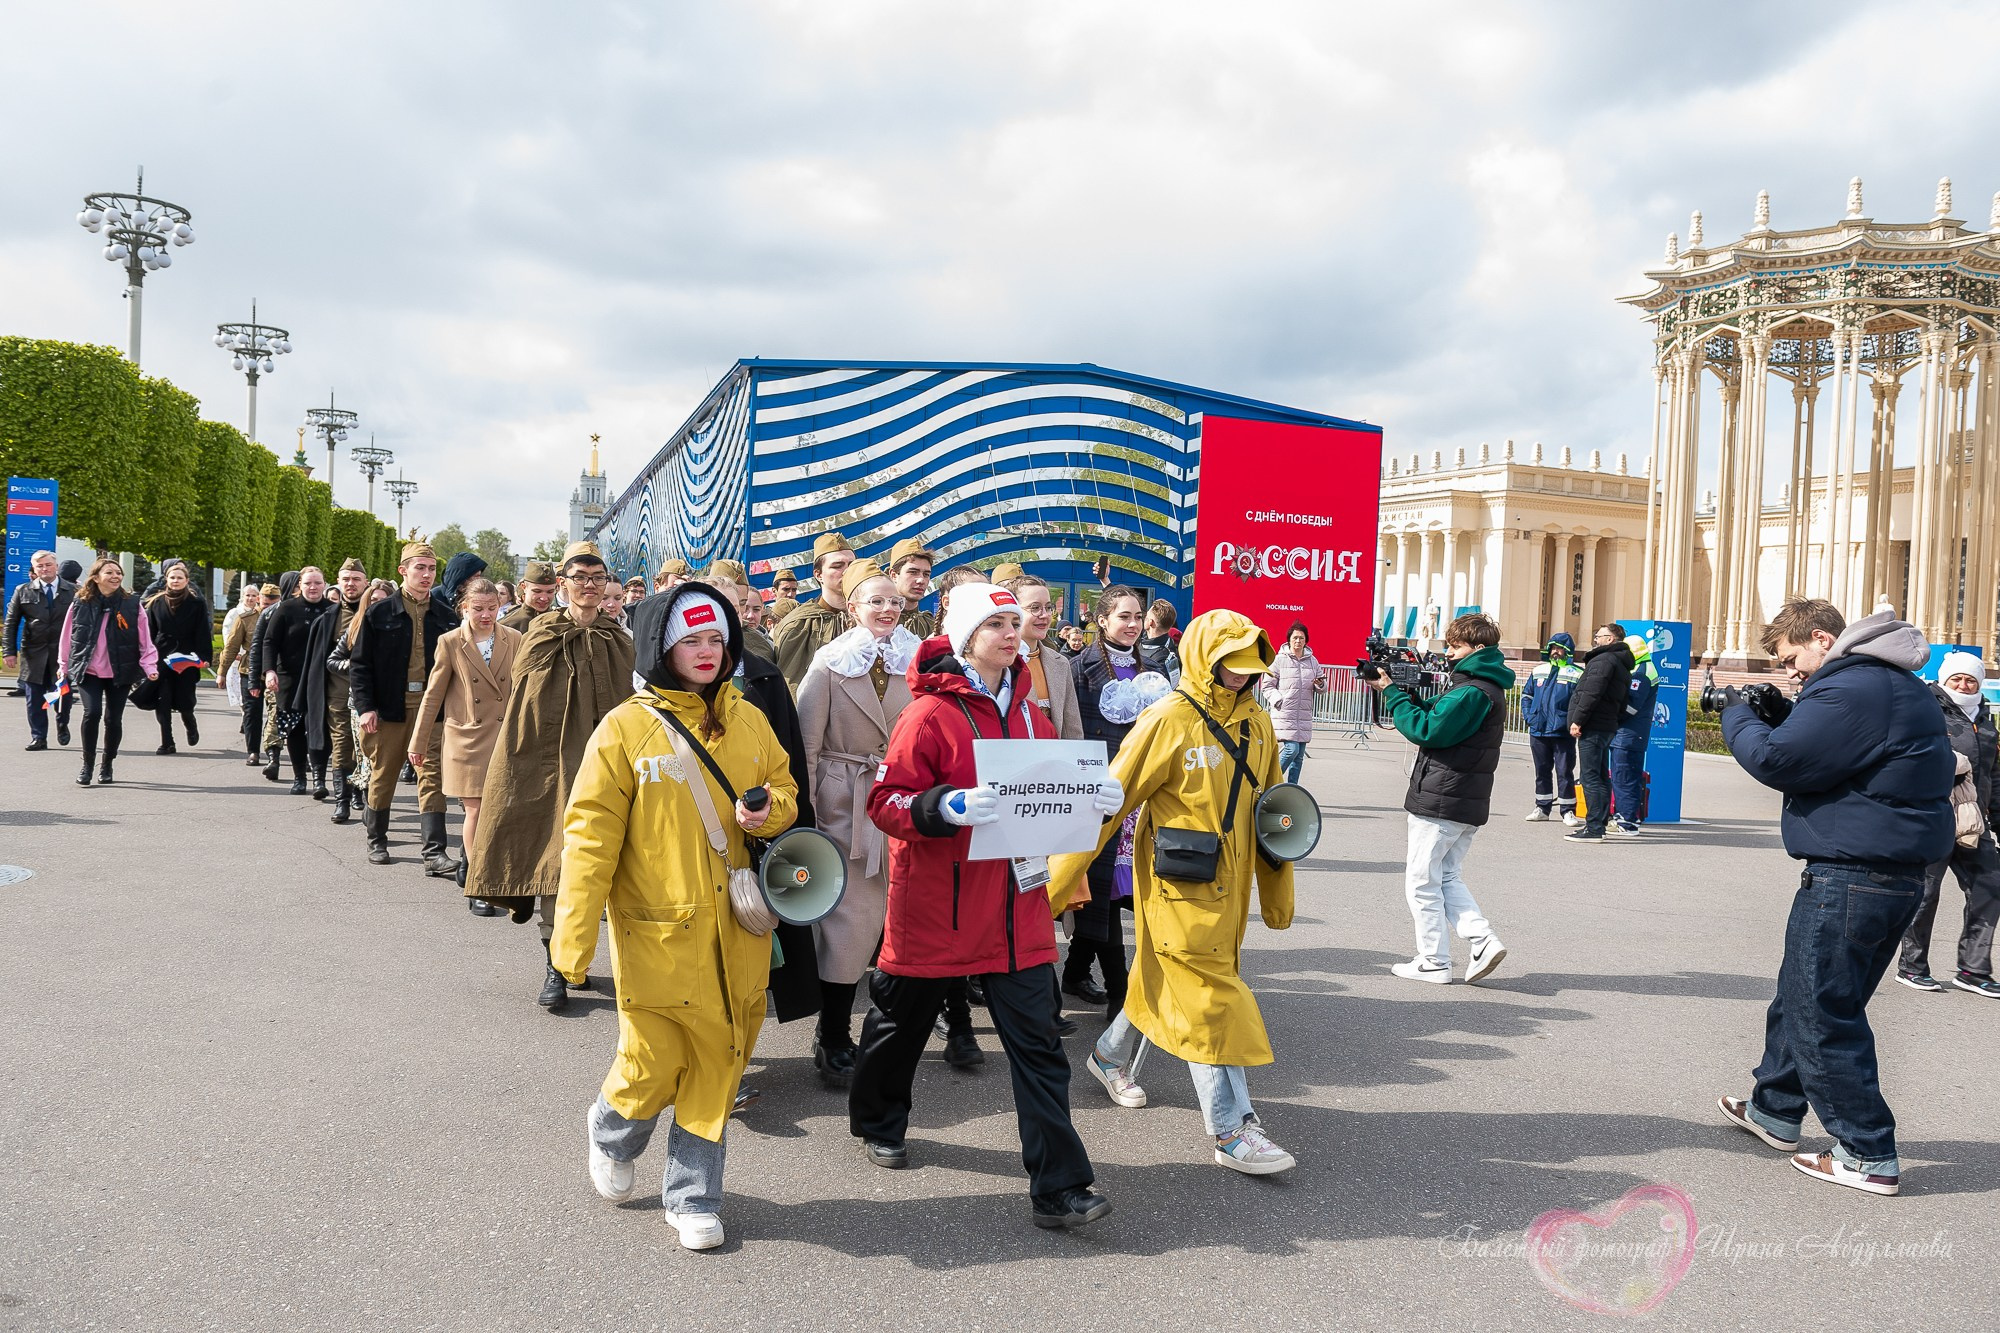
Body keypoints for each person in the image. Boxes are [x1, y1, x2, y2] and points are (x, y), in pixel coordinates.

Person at [852, 583, 1117, 1229]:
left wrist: (1095, 801)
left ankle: (1059, 1187)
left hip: (1016, 912)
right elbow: (885, 802)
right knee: (899, 1025)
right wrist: (943, 805)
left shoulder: (1032, 712)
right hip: (938, 906)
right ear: (966, 635)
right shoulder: (927, 714)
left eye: (1012, 620)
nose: (1009, 631)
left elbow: (1054, 798)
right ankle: (880, 1118)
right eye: (994, 622)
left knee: (1040, 1051)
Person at [554, 580, 798, 1252]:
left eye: (717, 638)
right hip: (657, 931)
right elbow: (590, 835)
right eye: (692, 637)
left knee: (720, 1059)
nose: (707, 650)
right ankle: (612, 1127)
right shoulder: (626, 728)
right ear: (664, 644)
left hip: (738, 932)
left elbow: (786, 790)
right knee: (654, 1059)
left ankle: (693, 1196)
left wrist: (767, 810)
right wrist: (571, 941)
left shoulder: (747, 717)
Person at [1715, 600, 1954, 1196]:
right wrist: (1782, 711)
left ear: (1822, 638)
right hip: (1887, 872)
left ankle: (1867, 1150)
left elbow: (1779, 759)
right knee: (1804, 994)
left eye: (1792, 657)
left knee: (1820, 1011)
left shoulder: (1853, 689)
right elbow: (1833, 754)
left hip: (1854, 874)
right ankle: (1775, 1108)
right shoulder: (1887, 682)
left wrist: (1739, 716)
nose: (1791, 671)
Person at [1055, 609, 1298, 1173]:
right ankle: (1233, 1129)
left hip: (1230, 887)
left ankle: (1109, 1054)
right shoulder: (1167, 717)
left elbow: (1274, 809)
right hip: (1177, 884)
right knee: (1209, 998)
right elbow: (1109, 798)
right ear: (1202, 657)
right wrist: (1058, 878)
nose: (1238, 676)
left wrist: (1277, 891)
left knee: (1168, 976)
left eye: (1246, 665)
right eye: (1228, 664)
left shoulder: (1257, 722)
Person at [467, 541, 635, 1011]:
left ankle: (612, 962)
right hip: (552, 764)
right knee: (556, 862)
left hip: (609, 765)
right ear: (563, 584)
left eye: (597, 578)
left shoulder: (618, 638)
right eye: (579, 578)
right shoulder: (541, 632)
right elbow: (528, 703)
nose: (588, 586)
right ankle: (556, 966)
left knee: (622, 866)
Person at [796, 558, 921, 1088]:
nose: (888, 608)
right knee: (846, 924)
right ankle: (832, 1032)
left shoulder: (918, 660)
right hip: (843, 805)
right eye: (876, 600)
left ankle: (887, 1028)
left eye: (894, 600)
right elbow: (806, 742)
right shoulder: (828, 663)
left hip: (900, 799)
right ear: (852, 609)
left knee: (899, 918)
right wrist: (808, 812)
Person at [1367, 612, 1514, 985]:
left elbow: (1426, 729)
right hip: (1463, 798)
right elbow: (1441, 719)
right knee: (1446, 875)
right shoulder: (1484, 686)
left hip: (1443, 798)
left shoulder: (1471, 690)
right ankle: (1481, 940)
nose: (1447, 652)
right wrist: (1408, 693)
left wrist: (1391, 692)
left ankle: (1434, 960)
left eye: (1454, 645)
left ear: (1476, 648)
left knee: (1422, 880)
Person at [1061, 583, 1175, 1014]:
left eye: (1137, 616)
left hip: (1141, 795)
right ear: (1102, 619)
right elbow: (1071, 732)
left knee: (1117, 893)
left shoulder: (1157, 671)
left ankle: (1074, 973)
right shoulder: (1077, 668)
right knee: (1101, 890)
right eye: (1123, 616)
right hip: (1098, 793)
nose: (1132, 624)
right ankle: (1119, 992)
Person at [411, 575, 521, 910]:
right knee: (474, 809)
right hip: (467, 738)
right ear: (464, 607)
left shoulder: (514, 638)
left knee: (498, 812)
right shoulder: (450, 641)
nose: (486, 614)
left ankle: (494, 875)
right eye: (478, 608)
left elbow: (523, 687)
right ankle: (479, 883)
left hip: (504, 737)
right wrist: (417, 741)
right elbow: (433, 695)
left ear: (500, 606)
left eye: (491, 607)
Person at [1893, 651, 2000, 997]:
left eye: (1970, 679)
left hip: (1973, 821)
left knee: (1990, 886)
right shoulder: (1927, 709)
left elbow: (1993, 776)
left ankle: (1973, 969)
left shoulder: (1984, 720)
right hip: (1933, 817)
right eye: (1957, 678)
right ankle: (1912, 966)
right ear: (1944, 679)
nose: (1964, 684)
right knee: (1925, 892)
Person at [349, 543, 461, 868]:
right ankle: (377, 840)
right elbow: (360, 665)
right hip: (390, 710)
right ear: (403, 571)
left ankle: (434, 853)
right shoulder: (378, 613)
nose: (426, 575)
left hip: (432, 713)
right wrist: (366, 706)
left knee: (432, 777)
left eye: (430, 569)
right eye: (419, 568)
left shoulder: (445, 615)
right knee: (384, 775)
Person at [58, 558, 158, 786]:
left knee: (113, 719)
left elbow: (145, 640)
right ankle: (87, 764)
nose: (116, 576)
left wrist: (149, 666)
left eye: (118, 573)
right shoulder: (80, 603)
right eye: (109, 572)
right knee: (91, 713)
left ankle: (107, 764)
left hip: (120, 671)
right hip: (88, 669)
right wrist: (63, 666)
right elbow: (67, 637)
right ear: (95, 577)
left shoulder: (132, 604)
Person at [302, 560, 373, 823]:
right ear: (338, 582)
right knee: (343, 745)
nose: (351, 584)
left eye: (356, 578)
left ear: (365, 582)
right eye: (346, 579)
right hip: (337, 695)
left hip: (369, 696)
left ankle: (359, 792)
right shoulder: (327, 619)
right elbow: (321, 661)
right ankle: (341, 800)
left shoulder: (376, 613)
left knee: (364, 747)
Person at [263, 567, 336, 795]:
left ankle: (320, 778)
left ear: (325, 585)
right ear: (299, 586)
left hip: (322, 679)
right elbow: (269, 641)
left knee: (321, 728)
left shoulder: (333, 610)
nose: (312, 587)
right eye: (307, 583)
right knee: (294, 729)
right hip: (290, 679)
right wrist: (269, 671)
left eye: (317, 583)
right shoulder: (286, 609)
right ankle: (298, 778)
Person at [1564, 623, 1633, 844]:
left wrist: (1577, 720)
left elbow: (1590, 693)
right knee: (1601, 776)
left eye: (1599, 636)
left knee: (1590, 777)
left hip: (1593, 726)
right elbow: (1622, 703)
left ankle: (1594, 828)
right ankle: (1600, 823)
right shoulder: (1622, 664)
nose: (1595, 639)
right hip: (1607, 725)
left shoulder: (1603, 661)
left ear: (1611, 639)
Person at [4, 549, 76, 751]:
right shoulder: (23, 590)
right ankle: (39, 736)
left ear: (56, 566)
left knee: (64, 694)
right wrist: (8, 651)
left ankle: (62, 723)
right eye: (40, 566)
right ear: (34, 569)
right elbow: (11, 623)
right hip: (33, 652)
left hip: (62, 654)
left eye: (48, 564)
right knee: (34, 698)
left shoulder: (73, 591)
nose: (45, 569)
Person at [772, 532, 856, 691]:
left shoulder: (868, 617)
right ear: (819, 575)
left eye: (851, 565)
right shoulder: (800, 624)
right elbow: (792, 689)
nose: (846, 571)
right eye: (837, 566)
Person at [1008, 575, 1081, 741]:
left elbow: (1072, 727)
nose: (1045, 615)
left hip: (1055, 761)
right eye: (1035, 608)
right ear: (1014, 611)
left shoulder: (1061, 663)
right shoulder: (1000, 664)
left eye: (1048, 608)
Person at [1520, 634, 1581, 823]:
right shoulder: (1539, 670)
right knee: (1542, 770)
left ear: (1567, 651)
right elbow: (1526, 696)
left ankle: (1567, 810)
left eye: (1560, 648)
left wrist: (1572, 722)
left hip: (1562, 731)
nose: (1555, 651)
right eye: (1553, 647)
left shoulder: (1576, 673)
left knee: (1564, 771)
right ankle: (1542, 808)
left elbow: (1580, 703)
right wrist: (1529, 717)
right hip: (1538, 728)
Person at [248, 572, 300, 779]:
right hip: (277, 675)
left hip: (305, 676)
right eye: (296, 586)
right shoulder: (271, 613)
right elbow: (258, 647)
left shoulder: (315, 610)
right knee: (275, 716)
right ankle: (273, 757)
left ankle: (302, 757)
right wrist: (254, 679)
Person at [1262, 620, 1326, 786]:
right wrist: (1279, 701)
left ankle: (1292, 788)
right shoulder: (1279, 660)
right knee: (1291, 750)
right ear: (1289, 640)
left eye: (1301, 638)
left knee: (1298, 757)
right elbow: (1267, 686)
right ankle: (1270, 782)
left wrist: (1320, 684)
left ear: (1306, 641)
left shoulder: (1313, 661)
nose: (1298, 641)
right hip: (1285, 713)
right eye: (1295, 638)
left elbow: (1322, 685)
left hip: (1303, 714)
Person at [1609, 633, 1660, 837]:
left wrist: (1611, 718)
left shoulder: (1641, 673)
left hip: (1628, 734)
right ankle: (1628, 817)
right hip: (1633, 734)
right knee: (1628, 776)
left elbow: (1631, 706)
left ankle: (1627, 822)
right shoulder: (1645, 668)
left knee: (1624, 777)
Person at [220, 583, 277, 766]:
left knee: (278, 713)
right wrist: (221, 672)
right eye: (265, 603)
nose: (267, 606)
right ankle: (253, 751)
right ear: (259, 599)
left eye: (272, 602)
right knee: (252, 713)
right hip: (250, 671)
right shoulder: (246, 618)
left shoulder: (285, 616)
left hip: (277, 672)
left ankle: (275, 751)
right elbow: (231, 646)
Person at [889, 538, 936, 638]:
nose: (921, 580)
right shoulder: (879, 622)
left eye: (926, 574)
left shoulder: (932, 625)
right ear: (894, 575)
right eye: (913, 572)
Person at [501, 562, 558, 633]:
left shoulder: (560, 624)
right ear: (524, 587)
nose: (544, 598)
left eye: (550, 592)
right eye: (537, 591)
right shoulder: (507, 626)